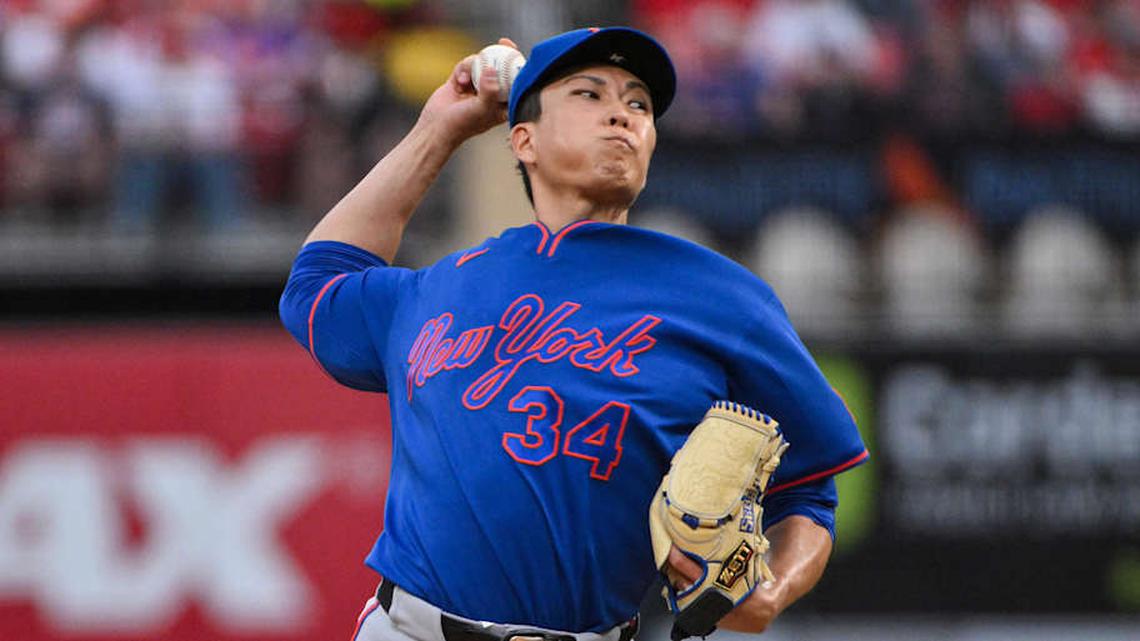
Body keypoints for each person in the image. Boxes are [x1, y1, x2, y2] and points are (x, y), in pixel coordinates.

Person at [279, 27, 867, 641]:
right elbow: (316, 286)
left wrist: (774, 585)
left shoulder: (721, 296)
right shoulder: (439, 288)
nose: (621, 113)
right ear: (524, 140)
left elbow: (812, 486)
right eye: (589, 94)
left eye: (638, 104)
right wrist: (440, 130)